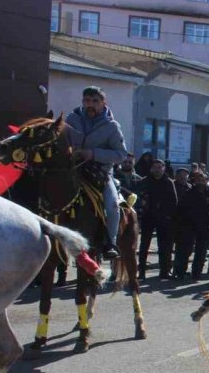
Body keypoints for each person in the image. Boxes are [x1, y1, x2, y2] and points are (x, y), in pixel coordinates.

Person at [65, 86, 128, 258]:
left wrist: (93, 154)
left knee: (112, 205)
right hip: (72, 171)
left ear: (103, 103)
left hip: (100, 174)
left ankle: (111, 243)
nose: (90, 104)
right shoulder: (71, 119)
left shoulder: (112, 126)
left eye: (95, 101)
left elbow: (121, 155)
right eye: (87, 100)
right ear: (82, 101)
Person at [137, 159, 178, 280]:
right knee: (144, 246)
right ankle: (141, 272)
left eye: (160, 167)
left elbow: (174, 200)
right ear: (151, 168)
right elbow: (139, 198)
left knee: (164, 246)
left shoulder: (168, 182)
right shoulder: (144, 181)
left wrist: (168, 215)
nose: (157, 170)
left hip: (163, 218)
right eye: (155, 167)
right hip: (147, 217)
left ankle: (164, 271)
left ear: (164, 168)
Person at [173, 170, 209, 280]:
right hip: (188, 226)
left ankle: (196, 273)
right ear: (195, 181)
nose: (201, 182)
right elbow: (180, 209)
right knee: (185, 251)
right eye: (198, 180)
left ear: (206, 181)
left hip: (204, 226)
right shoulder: (188, 193)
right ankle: (180, 272)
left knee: (201, 251)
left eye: (203, 180)